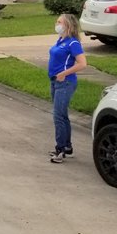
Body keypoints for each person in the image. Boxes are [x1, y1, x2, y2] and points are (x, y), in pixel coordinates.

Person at [47, 13, 87, 163]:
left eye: (60, 22)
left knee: (58, 116)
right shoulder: (60, 41)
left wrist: (64, 73)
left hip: (65, 82)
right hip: (55, 82)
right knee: (62, 115)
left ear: (68, 25)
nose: (57, 24)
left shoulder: (73, 43)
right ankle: (67, 146)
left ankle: (60, 149)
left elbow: (82, 63)